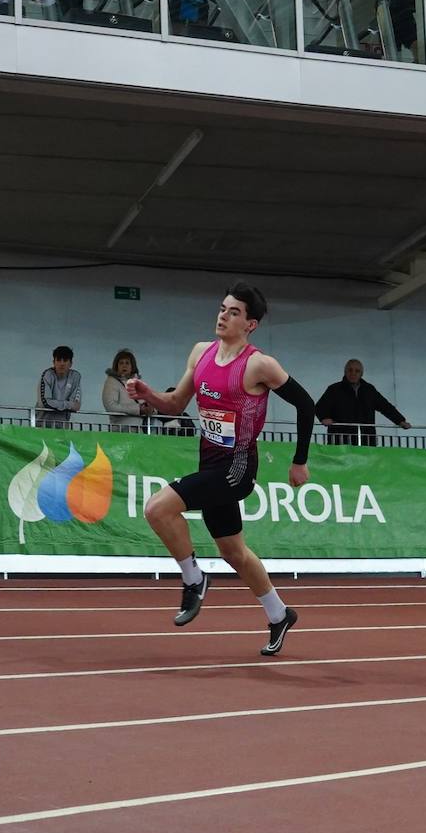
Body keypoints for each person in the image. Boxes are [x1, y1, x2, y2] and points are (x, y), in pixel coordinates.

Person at [126, 281, 317, 657]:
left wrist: (299, 460)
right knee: (235, 552)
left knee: (157, 507)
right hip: (209, 462)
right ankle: (280, 614)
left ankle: (194, 580)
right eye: (222, 308)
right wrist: (149, 395)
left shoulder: (260, 364)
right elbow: (177, 404)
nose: (223, 316)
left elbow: (306, 405)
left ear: (251, 324)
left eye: (234, 312)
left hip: (237, 469)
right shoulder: (201, 352)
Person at [314, 359, 412, 446]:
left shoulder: (369, 390)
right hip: (340, 441)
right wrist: (324, 418)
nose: (353, 373)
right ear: (345, 372)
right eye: (350, 370)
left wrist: (400, 421)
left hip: (367, 440)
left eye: (357, 371)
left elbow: (385, 407)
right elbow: (319, 407)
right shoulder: (334, 389)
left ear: (361, 374)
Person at [102, 349, 152, 431]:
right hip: (121, 430)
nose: (124, 366)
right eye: (121, 363)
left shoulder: (138, 383)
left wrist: (151, 409)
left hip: (140, 431)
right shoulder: (112, 381)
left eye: (127, 363)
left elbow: (148, 401)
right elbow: (111, 406)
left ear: (132, 366)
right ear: (116, 366)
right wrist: (138, 409)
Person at [37, 346, 82, 428]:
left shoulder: (75, 377)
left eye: (65, 360)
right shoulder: (47, 375)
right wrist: (67, 405)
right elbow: (44, 403)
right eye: (58, 360)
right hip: (42, 425)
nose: (62, 363)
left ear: (71, 363)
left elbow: (76, 405)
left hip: (63, 426)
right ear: (53, 362)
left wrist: (57, 404)